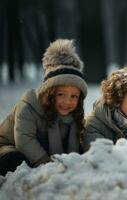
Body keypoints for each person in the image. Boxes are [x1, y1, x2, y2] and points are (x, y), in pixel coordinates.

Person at [0, 39, 87, 176]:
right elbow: (24, 139)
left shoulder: (73, 114)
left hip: (39, 151)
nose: (67, 102)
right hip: (10, 147)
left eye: (74, 96)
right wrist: (45, 163)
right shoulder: (29, 106)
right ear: (49, 93)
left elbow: (76, 140)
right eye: (61, 94)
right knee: (14, 161)